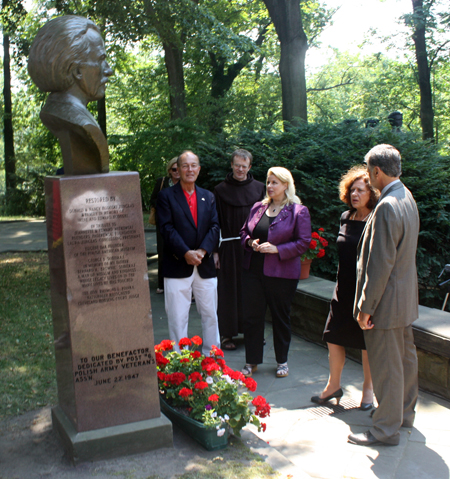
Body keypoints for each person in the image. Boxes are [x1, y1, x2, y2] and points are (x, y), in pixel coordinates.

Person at [348, 144, 419, 447]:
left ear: (376, 171)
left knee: (388, 367)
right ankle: (403, 414)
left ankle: (385, 430)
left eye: (368, 170)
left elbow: (381, 263)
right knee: (404, 361)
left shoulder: (388, 205)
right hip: (404, 301)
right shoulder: (406, 196)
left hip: (386, 305)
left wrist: (366, 306)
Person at [311, 166, 379, 409]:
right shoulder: (345, 217)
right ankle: (333, 385)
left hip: (365, 292)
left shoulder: (377, 219)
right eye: (352, 189)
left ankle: (368, 392)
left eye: (360, 190)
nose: (355, 194)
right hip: (343, 289)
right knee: (333, 336)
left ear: (372, 193)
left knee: (366, 343)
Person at [240, 167, 311, 378]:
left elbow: (303, 243)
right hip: (253, 270)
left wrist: (278, 249)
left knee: (280, 317)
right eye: (268, 182)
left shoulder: (298, 211)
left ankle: (282, 361)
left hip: (282, 273)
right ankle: (252, 361)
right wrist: (250, 242)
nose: (270, 186)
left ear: (286, 185)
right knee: (252, 317)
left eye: (275, 183)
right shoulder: (257, 208)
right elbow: (244, 232)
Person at [28, 15, 113, 175]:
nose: (109, 70)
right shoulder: (77, 121)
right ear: (77, 71)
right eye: (101, 59)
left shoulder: (57, 111)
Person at [157, 151, 220, 356]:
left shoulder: (208, 196)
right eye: (185, 166)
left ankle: (212, 358)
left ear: (199, 169)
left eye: (194, 166)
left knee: (210, 314)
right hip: (177, 265)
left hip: (205, 265)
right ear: (178, 169)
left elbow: (214, 227)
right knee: (177, 317)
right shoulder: (166, 196)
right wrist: (185, 252)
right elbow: (166, 228)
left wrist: (201, 251)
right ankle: (180, 361)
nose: (190, 170)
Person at [213, 149, 265, 350]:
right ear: (231, 165)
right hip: (228, 247)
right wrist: (215, 251)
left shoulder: (260, 188)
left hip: (252, 248)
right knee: (228, 291)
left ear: (249, 167)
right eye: (237, 165)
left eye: (244, 166)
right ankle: (227, 334)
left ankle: (253, 332)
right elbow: (214, 221)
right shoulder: (220, 190)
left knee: (253, 292)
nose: (240, 169)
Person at [150, 157, 181, 294]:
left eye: (179, 168)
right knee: (162, 252)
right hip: (163, 222)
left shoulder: (185, 183)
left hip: (180, 222)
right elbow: (152, 199)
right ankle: (161, 284)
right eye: (174, 169)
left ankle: (178, 280)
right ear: (169, 170)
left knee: (179, 250)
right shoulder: (162, 182)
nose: (177, 172)